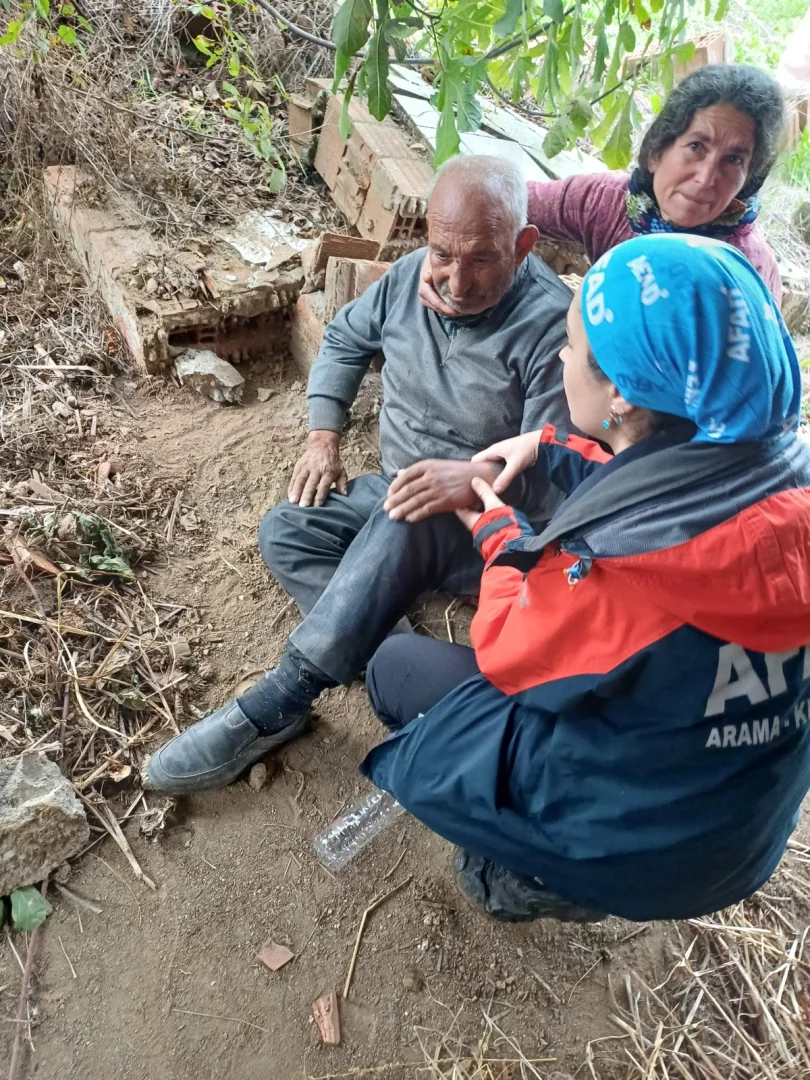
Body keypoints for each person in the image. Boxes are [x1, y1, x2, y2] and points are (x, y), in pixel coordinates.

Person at [360, 232, 810, 923]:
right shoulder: (778, 472)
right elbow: (674, 482)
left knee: (395, 670)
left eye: (572, 345)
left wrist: (492, 524)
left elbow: (509, 649)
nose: (564, 355)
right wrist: (546, 445)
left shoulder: (620, 573)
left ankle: (525, 880)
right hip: (739, 834)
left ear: (623, 396)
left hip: (643, 848)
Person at [146, 155, 576, 794]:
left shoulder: (551, 323)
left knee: (412, 511)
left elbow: (549, 465)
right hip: (400, 488)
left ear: (522, 245)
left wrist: (468, 478)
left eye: (482, 259)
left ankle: (279, 701)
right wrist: (324, 435)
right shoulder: (408, 279)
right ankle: (382, 642)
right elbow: (346, 340)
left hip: (488, 525)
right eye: (442, 254)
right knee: (289, 529)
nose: (456, 281)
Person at [419, 64, 786, 309]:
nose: (706, 178)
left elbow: (747, 395)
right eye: (696, 147)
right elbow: (493, 203)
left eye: (733, 160)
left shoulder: (744, 273)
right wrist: (443, 259)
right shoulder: (607, 203)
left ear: (747, 179)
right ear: (657, 150)